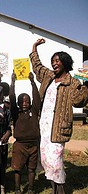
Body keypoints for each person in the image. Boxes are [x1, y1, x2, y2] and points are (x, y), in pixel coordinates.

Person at [30, 38, 88, 194]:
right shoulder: (48, 77)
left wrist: (86, 86)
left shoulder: (72, 83)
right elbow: (37, 67)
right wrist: (34, 48)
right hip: (43, 125)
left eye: (57, 60)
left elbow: (78, 101)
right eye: (52, 61)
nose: (54, 63)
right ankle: (53, 188)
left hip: (58, 128)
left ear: (65, 62)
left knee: (55, 162)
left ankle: (60, 190)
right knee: (46, 161)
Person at [9, 72, 41, 194]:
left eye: (27, 102)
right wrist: (13, 82)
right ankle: (17, 189)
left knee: (31, 169)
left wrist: (32, 82)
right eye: (22, 102)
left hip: (33, 145)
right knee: (17, 169)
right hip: (20, 145)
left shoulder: (34, 111)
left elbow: (37, 97)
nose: (25, 104)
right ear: (18, 104)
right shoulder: (15, 113)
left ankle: (31, 189)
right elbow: (11, 97)